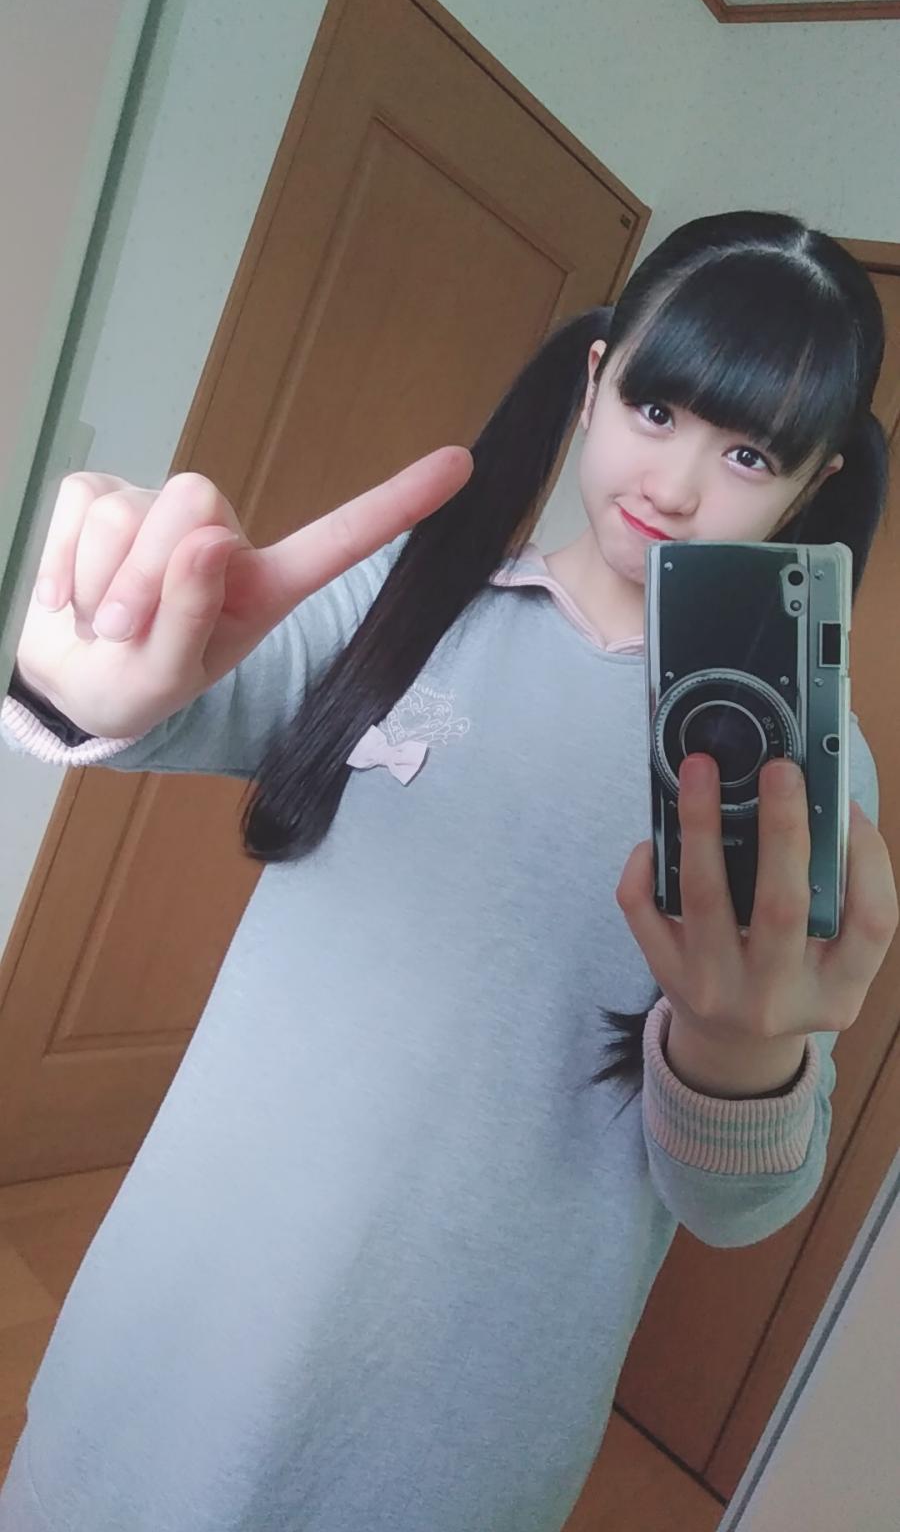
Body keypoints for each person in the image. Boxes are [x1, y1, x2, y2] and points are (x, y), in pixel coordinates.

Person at [0, 210, 892, 1531]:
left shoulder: (804, 772)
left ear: (816, 482)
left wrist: (737, 1056)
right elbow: (163, 706)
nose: (677, 485)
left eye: (749, 452)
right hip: (183, 1315)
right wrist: (79, 681)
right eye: (655, 411)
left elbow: (733, 1209)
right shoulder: (410, 600)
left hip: (452, 1415)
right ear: (596, 379)